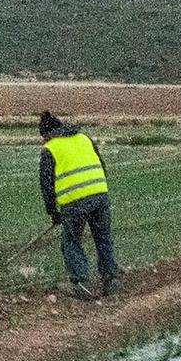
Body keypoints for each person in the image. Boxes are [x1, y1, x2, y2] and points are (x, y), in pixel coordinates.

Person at [38, 111, 119, 299]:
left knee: (71, 241)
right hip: (99, 194)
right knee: (103, 238)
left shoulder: (50, 149)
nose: (42, 141)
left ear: (48, 134)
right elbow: (102, 165)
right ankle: (111, 280)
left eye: (42, 137)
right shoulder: (84, 138)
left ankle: (82, 284)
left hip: (74, 202)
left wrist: (52, 211)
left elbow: (46, 185)